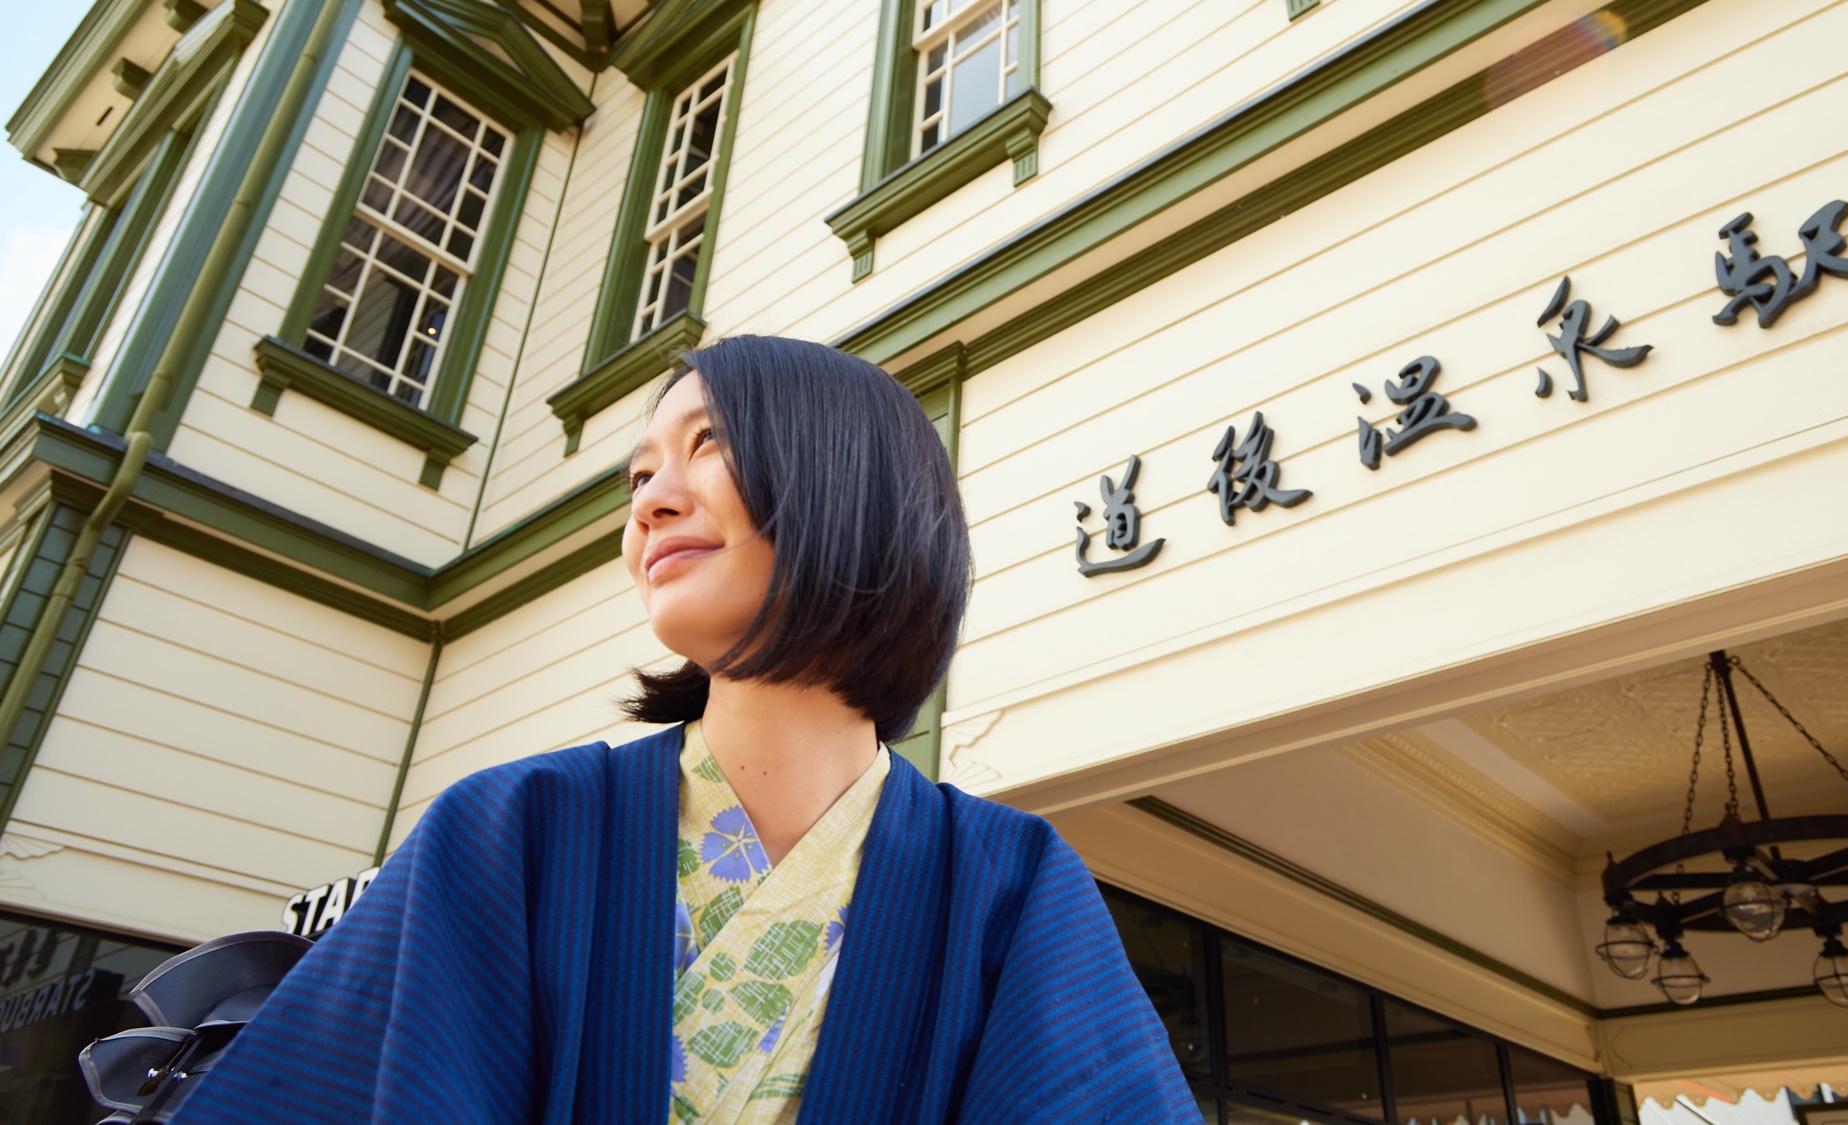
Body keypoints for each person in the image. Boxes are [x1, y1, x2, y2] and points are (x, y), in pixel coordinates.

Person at [170, 336, 1201, 1124]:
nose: (650, 504)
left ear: (852, 480)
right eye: (636, 478)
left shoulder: (1009, 884)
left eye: (706, 445)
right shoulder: (507, 831)